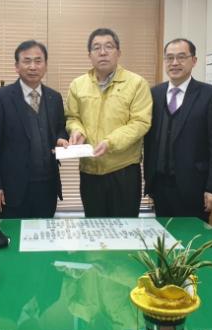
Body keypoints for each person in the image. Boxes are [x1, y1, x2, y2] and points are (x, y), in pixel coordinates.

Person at [65, 28, 152, 217]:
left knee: (125, 227)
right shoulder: (78, 85)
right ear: (89, 55)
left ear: (118, 52)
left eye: (109, 47)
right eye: (96, 48)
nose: (102, 52)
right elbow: (72, 117)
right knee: (94, 226)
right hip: (89, 171)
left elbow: (140, 122)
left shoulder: (137, 83)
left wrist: (110, 142)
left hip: (124, 170)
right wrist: (77, 131)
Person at [144, 38, 212, 222]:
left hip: (194, 188)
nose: (174, 63)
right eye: (169, 58)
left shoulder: (210, 95)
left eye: (181, 57)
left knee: (193, 237)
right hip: (159, 186)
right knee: (163, 235)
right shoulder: (154, 94)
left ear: (194, 61)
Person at [0, 40, 68, 218]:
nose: (32, 67)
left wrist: (61, 138)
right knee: (11, 235)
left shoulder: (54, 97)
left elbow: (60, 128)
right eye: (27, 61)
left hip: (47, 186)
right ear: (17, 66)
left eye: (38, 61)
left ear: (45, 65)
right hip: (11, 189)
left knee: (44, 233)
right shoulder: (1, 98)